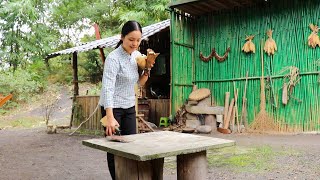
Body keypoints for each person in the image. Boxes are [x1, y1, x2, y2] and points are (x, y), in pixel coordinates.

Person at [99, 20, 153, 180]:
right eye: (131, 39)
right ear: (122, 37)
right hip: (111, 108)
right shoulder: (113, 59)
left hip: (129, 106)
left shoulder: (136, 56)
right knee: (115, 147)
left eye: (138, 40)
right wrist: (109, 117)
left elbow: (138, 84)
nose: (135, 43)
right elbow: (107, 88)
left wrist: (147, 69)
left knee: (131, 145)